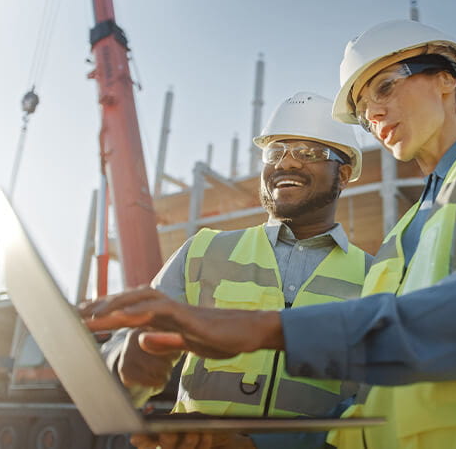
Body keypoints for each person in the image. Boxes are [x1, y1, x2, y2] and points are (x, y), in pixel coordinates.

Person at [84, 20, 456, 449]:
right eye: (365, 109)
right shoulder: (400, 244)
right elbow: (371, 408)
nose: (374, 111)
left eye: (386, 86)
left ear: (447, 77)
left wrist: (261, 329)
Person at [95, 92, 370, 449]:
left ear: (343, 174)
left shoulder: (377, 278)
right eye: (276, 152)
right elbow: (125, 349)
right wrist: (125, 360)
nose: (288, 163)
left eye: (308, 153)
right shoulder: (203, 251)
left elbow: (375, 405)